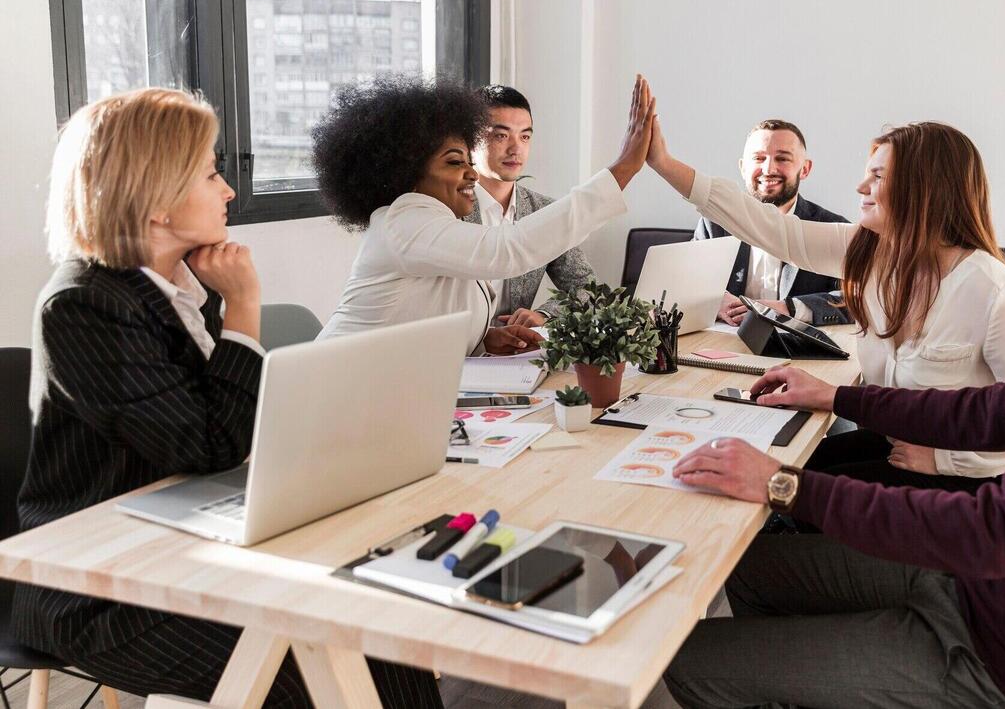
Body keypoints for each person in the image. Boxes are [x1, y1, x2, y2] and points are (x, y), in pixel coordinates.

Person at [663, 74, 1005, 709]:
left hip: (1000, 656)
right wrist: (839, 399)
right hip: (974, 589)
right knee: (744, 572)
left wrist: (784, 483)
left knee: (687, 661)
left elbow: (998, 529)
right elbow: (997, 409)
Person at [14, 88, 442, 706]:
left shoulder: (184, 283)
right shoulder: (83, 304)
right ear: (156, 199)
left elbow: (228, 428)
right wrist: (245, 310)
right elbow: (212, 444)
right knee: (312, 674)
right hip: (105, 588)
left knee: (381, 639)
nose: (229, 191)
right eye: (212, 173)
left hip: (189, 540)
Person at [651, 114, 1005, 488]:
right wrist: (663, 163)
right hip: (892, 449)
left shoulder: (994, 292)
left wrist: (948, 460)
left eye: (877, 177)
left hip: (962, 484)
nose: (861, 188)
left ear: (923, 188)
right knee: (769, 475)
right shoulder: (872, 253)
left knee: (775, 504)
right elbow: (771, 229)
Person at [315, 75, 655, 354]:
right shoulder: (403, 221)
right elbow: (508, 249)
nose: (472, 173)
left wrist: (481, 339)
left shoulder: (435, 223)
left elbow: (430, 316)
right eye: (453, 162)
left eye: (467, 160)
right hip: (334, 388)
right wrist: (624, 168)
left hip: (387, 386)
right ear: (407, 171)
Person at [466, 84, 599, 328]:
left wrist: (545, 315)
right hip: (455, 354)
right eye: (501, 135)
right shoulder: (445, 210)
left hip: (517, 356)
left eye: (525, 137)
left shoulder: (543, 211)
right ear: (470, 139)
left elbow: (589, 291)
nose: (516, 149)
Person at [697, 119, 851, 327]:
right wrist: (715, 300)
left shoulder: (833, 228)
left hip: (800, 354)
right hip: (724, 347)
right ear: (743, 168)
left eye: (782, 159)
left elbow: (856, 300)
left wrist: (789, 308)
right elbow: (686, 283)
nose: (768, 169)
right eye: (759, 158)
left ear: (804, 169)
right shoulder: (714, 223)